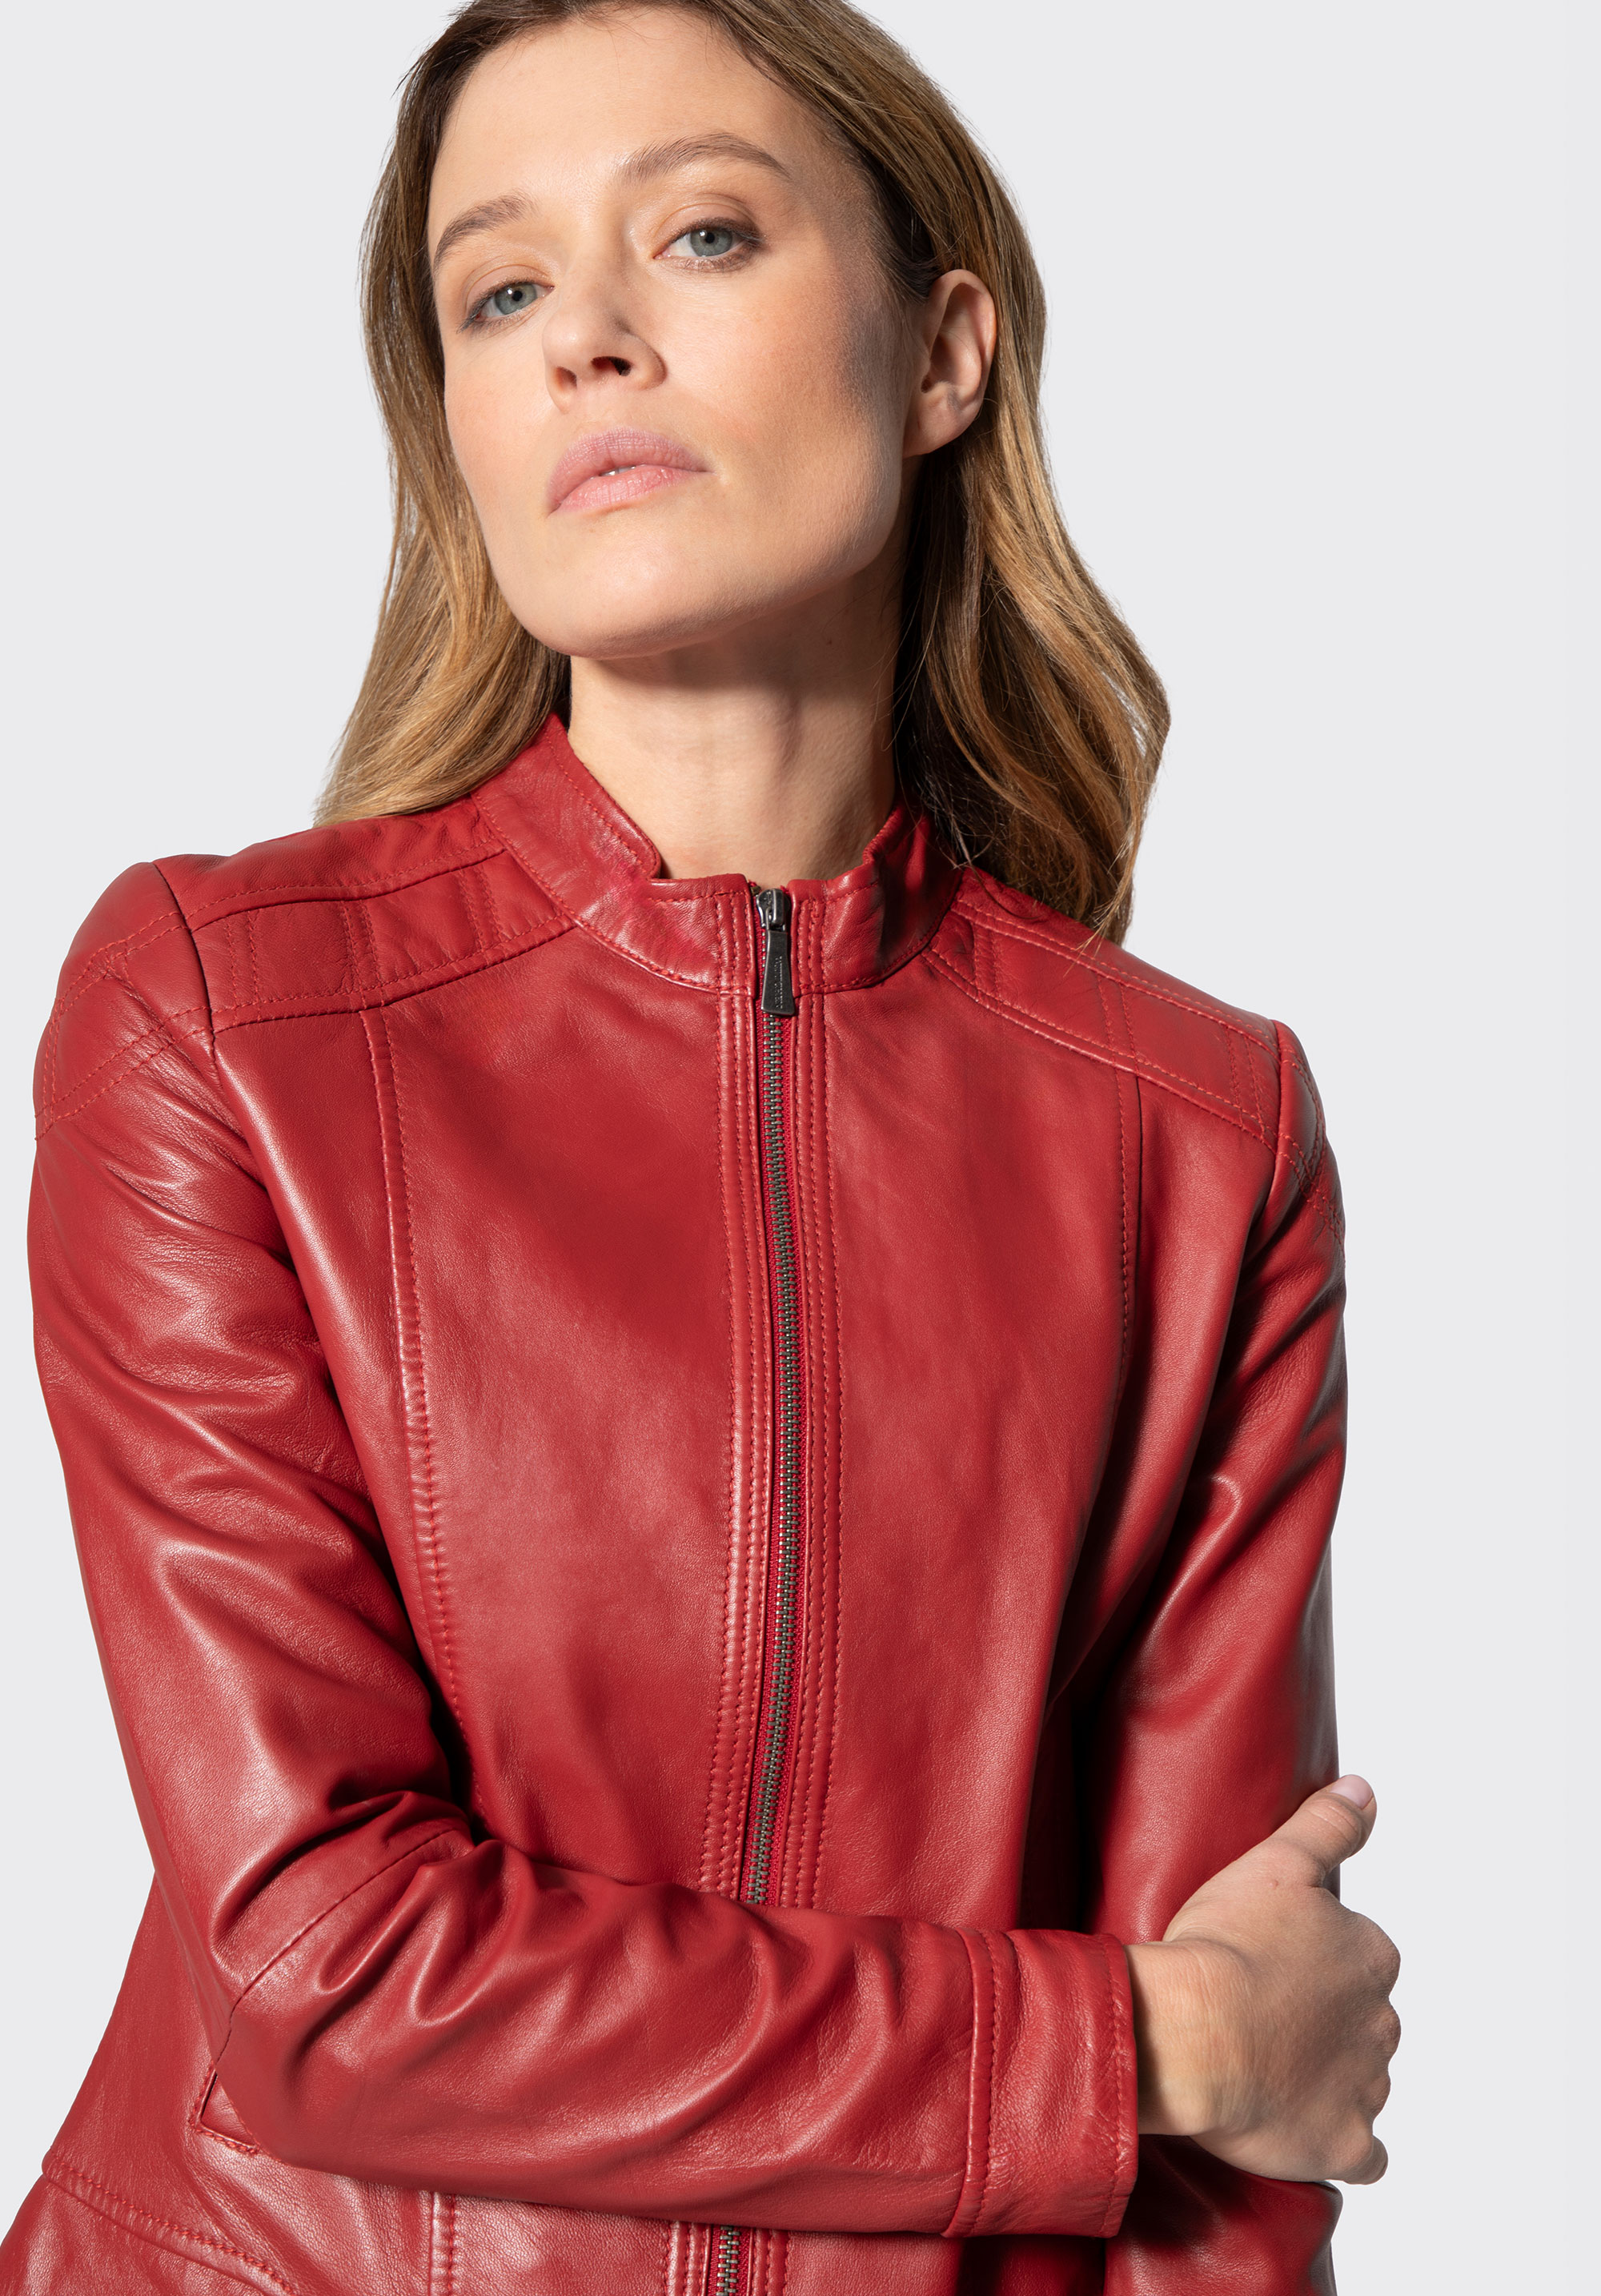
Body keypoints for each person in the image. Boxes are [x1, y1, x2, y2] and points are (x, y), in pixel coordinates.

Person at [1, 2, 1400, 2291]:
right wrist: (1125, 2043)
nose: (588, 341)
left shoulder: (1200, 1130)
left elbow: (1243, 2102)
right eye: (501, 291)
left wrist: (1195, 2051)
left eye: (706, 236)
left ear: (941, 353)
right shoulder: (224, 1017)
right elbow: (326, 1973)